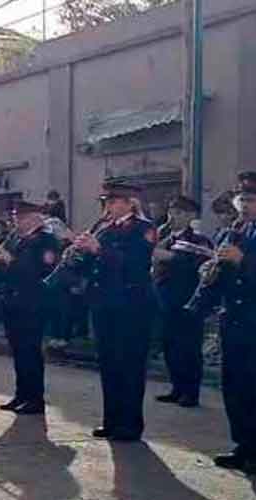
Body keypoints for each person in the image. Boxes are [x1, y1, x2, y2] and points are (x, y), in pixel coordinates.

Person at [72, 178, 157, 441]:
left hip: (132, 306)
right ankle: (112, 420)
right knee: (109, 364)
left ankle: (130, 424)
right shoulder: (105, 229)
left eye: (112, 201)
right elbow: (94, 267)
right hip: (104, 305)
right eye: (105, 201)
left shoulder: (144, 228)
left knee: (129, 364)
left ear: (129, 203)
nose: (107, 206)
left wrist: (99, 249)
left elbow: (135, 264)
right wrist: (80, 254)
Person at [209, 171, 256, 475]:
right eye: (242, 200)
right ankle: (245, 444)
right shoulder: (237, 231)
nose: (244, 206)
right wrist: (212, 273)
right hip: (235, 322)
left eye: (251, 199)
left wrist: (244, 262)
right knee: (235, 387)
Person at [0, 201, 61, 414]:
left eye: (21, 217)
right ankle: (21, 394)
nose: (16, 221)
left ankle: (35, 399)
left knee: (31, 352)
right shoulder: (17, 239)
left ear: (35, 218)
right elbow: (6, 271)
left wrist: (11, 261)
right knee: (18, 351)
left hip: (33, 304)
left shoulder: (46, 241)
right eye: (15, 217)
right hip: (13, 302)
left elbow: (40, 272)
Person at [151, 195, 213, 408]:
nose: (173, 216)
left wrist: (167, 257)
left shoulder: (198, 239)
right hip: (165, 300)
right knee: (170, 346)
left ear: (191, 216)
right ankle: (177, 388)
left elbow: (200, 265)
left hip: (187, 300)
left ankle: (191, 392)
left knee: (188, 347)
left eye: (178, 213)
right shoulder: (165, 236)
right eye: (171, 212)